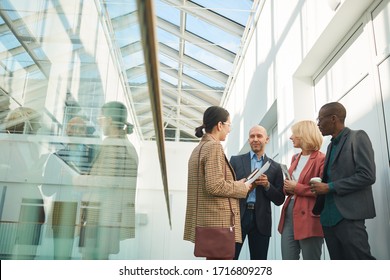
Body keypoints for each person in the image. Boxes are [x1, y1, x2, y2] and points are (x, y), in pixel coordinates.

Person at [183, 106, 253, 260]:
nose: (229, 130)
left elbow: (211, 182)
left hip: (206, 221)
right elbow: (214, 185)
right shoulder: (214, 146)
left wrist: (236, 183)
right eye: (229, 125)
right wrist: (242, 187)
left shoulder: (199, 148)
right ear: (220, 125)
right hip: (219, 224)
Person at [311, 101, 376, 260]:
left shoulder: (357, 137)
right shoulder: (329, 146)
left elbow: (367, 175)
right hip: (328, 219)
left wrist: (330, 187)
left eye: (320, 119)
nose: (318, 124)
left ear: (333, 118)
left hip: (349, 217)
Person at [74, 101, 138, 259]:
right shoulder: (127, 145)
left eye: (101, 118)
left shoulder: (112, 144)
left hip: (100, 215)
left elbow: (107, 181)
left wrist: (78, 180)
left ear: (109, 119)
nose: (99, 121)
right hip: (110, 216)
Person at [42, 116, 95, 259]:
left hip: (87, 210)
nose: (77, 132)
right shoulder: (56, 157)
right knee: (61, 257)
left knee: (89, 259)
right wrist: (60, 178)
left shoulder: (93, 156)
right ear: (67, 131)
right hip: (64, 209)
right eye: (74, 128)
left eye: (81, 129)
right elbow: (46, 191)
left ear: (86, 133)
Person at [230, 125, 285, 260]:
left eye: (259, 136)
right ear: (248, 140)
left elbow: (280, 200)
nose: (255, 139)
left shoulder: (275, 167)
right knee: (230, 258)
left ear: (267, 139)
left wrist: (267, 185)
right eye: (252, 136)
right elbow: (228, 188)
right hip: (238, 217)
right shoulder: (235, 161)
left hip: (261, 219)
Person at [0, 107, 45, 259]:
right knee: (6, 250)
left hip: (31, 205)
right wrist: (26, 176)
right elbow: (5, 174)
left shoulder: (32, 147)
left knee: (28, 253)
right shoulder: (3, 144)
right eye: (37, 122)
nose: (39, 126)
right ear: (26, 124)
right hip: (11, 206)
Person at [277, 120, 325, 259]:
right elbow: (291, 185)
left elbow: (321, 190)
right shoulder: (295, 158)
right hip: (289, 214)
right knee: (288, 258)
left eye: (294, 134)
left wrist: (296, 187)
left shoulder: (321, 159)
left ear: (304, 135)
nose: (291, 137)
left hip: (309, 214)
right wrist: (287, 187)